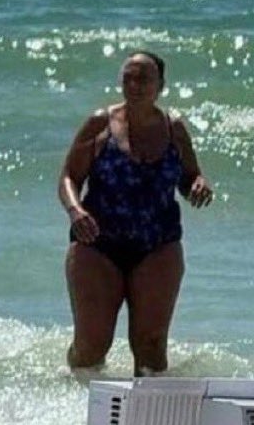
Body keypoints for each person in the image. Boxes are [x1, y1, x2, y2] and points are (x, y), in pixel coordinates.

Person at [58, 50, 213, 376]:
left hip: (158, 245)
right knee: (92, 346)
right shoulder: (100, 124)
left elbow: (188, 177)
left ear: (161, 85)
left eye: (143, 78)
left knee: (151, 347)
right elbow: (70, 177)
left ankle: (149, 417)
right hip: (98, 244)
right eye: (128, 77)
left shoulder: (174, 129)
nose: (134, 84)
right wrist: (75, 211)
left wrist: (198, 185)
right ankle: (78, 403)